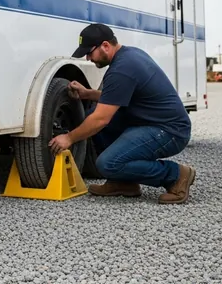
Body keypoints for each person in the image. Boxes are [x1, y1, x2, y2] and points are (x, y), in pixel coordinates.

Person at [48, 23, 196, 204]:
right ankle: (123, 182)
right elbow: (116, 97)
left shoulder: (122, 69)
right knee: (94, 113)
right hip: (151, 122)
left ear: (105, 46)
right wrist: (88, 93)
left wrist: (69, 138)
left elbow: (101, 119)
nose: (88, 58)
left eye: (90, 52)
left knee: (107, 163)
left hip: (169, 131)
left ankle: (175, 175)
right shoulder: (128, 56)